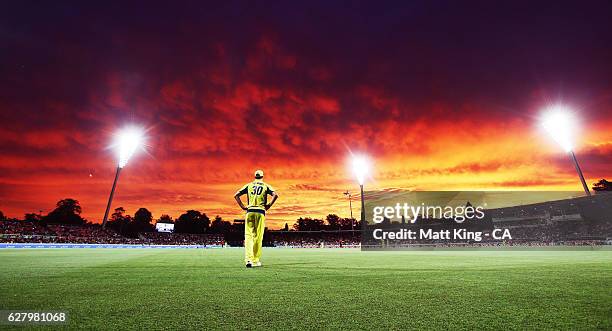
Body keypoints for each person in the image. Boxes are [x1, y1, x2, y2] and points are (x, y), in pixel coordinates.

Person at [234, 170, 279, 268]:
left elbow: (236, 195)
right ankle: (255, 260)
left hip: (250, 211)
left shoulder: (249, 185)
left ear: (254, 176)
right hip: (260, 212)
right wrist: (269, 205)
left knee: (248, 236)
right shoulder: (266, 186)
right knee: (258, 237)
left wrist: (242, 206)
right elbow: (276, 195)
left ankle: (248, 260)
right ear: (262, 176)